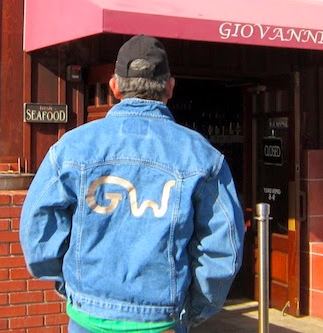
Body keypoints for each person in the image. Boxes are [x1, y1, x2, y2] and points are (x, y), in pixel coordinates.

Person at [20, 35, 245, 332]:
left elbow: (37, 233)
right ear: (170, 86)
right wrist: (194, 309)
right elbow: (223, 248)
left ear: (114, 86)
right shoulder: (201, 156)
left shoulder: (71, 148)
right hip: (163, 320)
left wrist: (71, 287)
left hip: (89, 317)